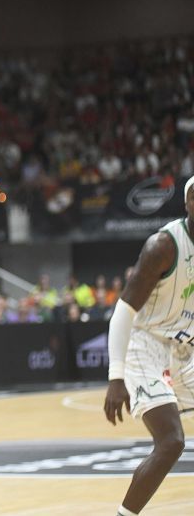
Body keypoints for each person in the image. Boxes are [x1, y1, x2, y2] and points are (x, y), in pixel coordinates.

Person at [103, 174, 194, 516]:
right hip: (146, 347)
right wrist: (116, 377)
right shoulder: (165, 246)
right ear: (186, 203)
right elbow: (123, 313)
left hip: (184, 350)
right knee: (171, 442)